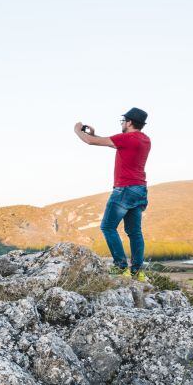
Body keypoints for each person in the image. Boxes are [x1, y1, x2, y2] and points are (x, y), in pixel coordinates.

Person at [74, 108, 151, 280]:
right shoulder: (145, 139)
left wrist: (77, 130)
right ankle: (137, 272)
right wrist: (96, 134)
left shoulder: (126, 138)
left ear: (130, 122)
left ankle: (120, 266)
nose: (122, 124)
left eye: (123, 121)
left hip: (124, 189)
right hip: (140, 190)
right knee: (134, 232)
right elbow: (111, 142)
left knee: (108, 227)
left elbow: (89, 141)